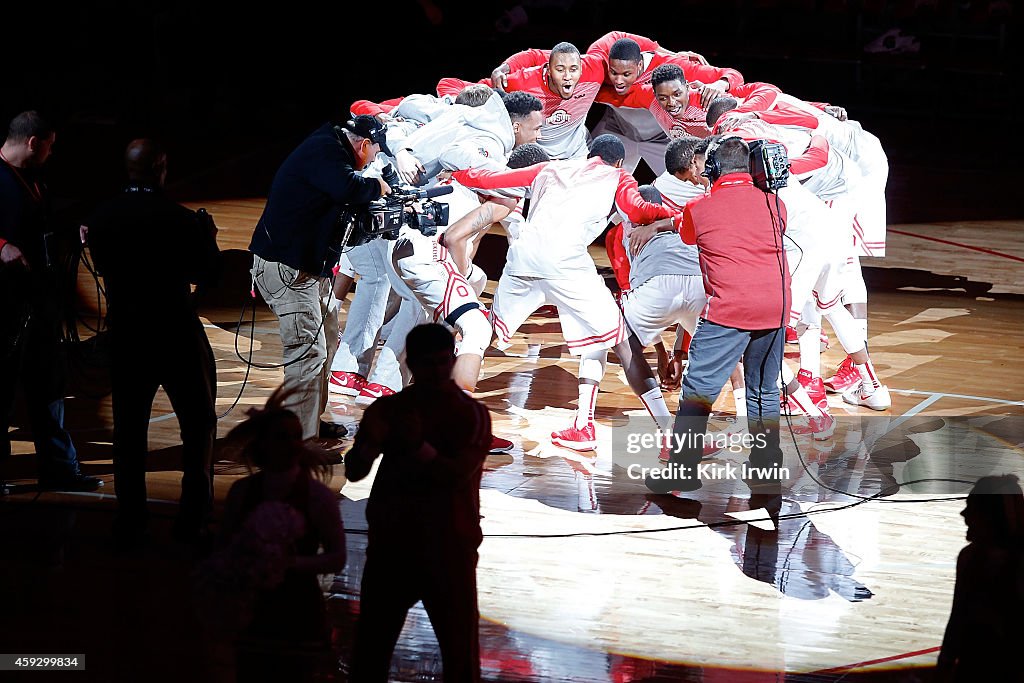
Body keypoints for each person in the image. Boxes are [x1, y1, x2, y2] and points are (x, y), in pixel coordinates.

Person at [449, 135, 678, 450]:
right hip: (567, 265)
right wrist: (675, 216)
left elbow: (490, 179)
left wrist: (456, 174)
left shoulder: (550, 167)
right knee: (622, 343)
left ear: (588, 154)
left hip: (523, 259)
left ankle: (445, 416)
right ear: (621, 163)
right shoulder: (620, 176)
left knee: (482, 334)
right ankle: (672, 436)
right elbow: (638, 211)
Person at [85, 139, 220, 543]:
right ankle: (192, 521)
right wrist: (208, 236)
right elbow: (208, 275)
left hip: (127, 334)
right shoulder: (180, 220)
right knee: (198, 428)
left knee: (128, 433)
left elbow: (103, 264)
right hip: (175, 331)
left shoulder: (102, 217)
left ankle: (129, 521)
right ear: (161, 167)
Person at [642, 137, 790, 494]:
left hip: (730, 309)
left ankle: (682, 472)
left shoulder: (699, 207)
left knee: (698, 391)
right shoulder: (777, 204)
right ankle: (765, 471)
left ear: (711, 170)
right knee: (762, 389)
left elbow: (690, 235)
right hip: (777, 307)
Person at [345, 323, 492, 682]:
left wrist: (415, 446)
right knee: (370, 655)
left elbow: (456, 475)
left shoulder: (471, 414)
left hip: (448, 549)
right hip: (393, 548)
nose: (438, 372)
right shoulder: (388, 410)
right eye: (429, 364)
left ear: (453, 360)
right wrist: (367, 444)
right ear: (411, 363)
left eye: (443, 363)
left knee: (459, 659)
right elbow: (354, 471)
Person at [249, 114, 391, 440]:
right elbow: (348, 187)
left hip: (308, 269)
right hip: (285, 270)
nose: (374, 159)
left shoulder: (332, 148)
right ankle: (300, 441)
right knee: (307, 353)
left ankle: (309, 423)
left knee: (324, 343)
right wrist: (376, 186)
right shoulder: (325, 150)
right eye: (375, 152)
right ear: (364, 144)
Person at [217, 385, 347, 683]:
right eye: (281, 437)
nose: (291, 444)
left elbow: (337, 557)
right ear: (262, 445)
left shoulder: (317, 497)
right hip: (253, 608)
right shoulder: (242, 492)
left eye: (295, 437)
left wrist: (291, 564)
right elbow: (222, 548)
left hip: (300, 610)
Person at [0, 111, 101, 492]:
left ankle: (59, 468)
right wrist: (1, 246)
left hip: (38, 306)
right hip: (6, 309)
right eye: (50, 146)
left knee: (49, 387)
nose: (51, 153)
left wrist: (70, 231)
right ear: (33, 142)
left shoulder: (35, 179)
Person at [937, 475, 1024, 682]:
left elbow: (958, 618)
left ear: (991, 517)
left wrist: (945, 663)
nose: (963, 514)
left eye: (972, 508)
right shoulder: (969, 557)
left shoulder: (974, 559)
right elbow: (957, 618)